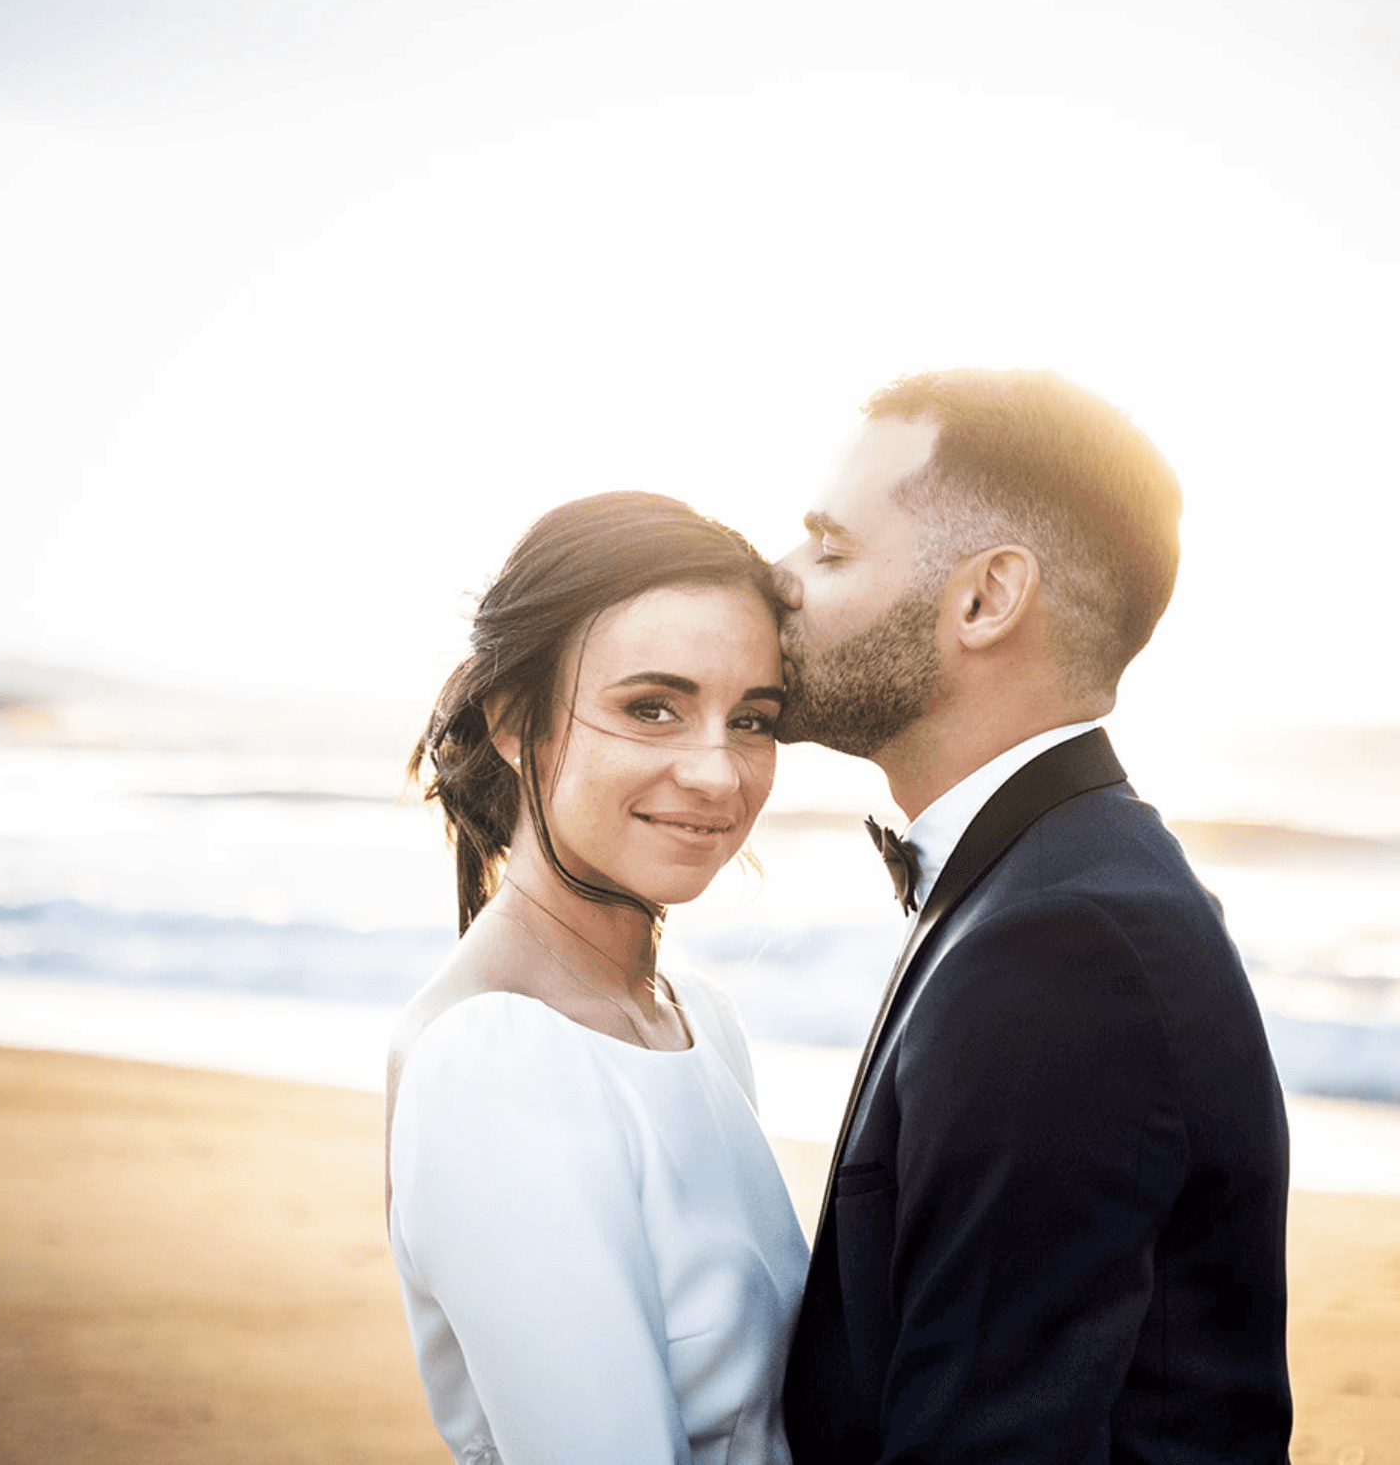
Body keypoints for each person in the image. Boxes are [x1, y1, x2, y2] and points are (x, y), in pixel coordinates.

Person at [774, 370, 1292, 1463]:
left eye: (826, 550)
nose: (775, 579)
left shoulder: (1059, 947)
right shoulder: (1049, 879)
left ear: (985, 597)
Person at [387, 490, 810, 1465]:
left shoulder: (696, 1019)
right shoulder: (490, 1060)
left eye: (752, 717)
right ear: (513, 720)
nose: (718, 773)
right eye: (650, 706)